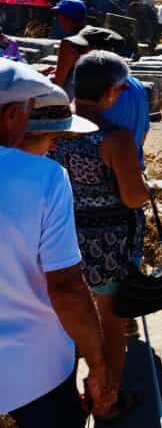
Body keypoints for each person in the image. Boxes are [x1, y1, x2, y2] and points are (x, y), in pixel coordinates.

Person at [0, 58, 115, 426]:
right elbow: (65, 288)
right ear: (15, 115)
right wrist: (99, 365)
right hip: (33, 373)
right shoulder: (43, 178)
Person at [50, 51, 149, 422]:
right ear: (110, 92)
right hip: (109, 245)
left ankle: (69, 396)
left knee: (66, 320)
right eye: (121, 89)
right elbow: (132, 196)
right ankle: (107, 400)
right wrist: (146, 186)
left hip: (60, 237)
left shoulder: (53, 133)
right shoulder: (114, 139)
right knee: (110, 323)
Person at [51, 25, 149, 162]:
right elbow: (143, 133)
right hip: (131, 165)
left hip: (96, 169)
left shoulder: (97, 88)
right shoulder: (137, 85)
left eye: (79, 50)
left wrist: (60, 75)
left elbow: (66, 124)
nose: (74, 54)